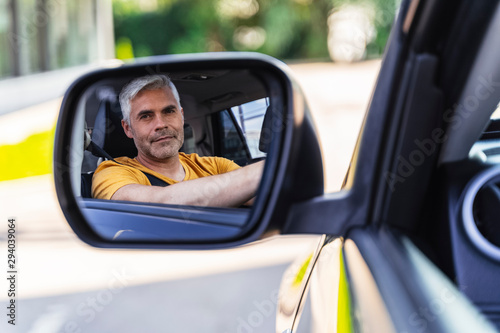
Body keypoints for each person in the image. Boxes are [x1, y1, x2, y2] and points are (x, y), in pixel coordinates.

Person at [91, 74, 264, 207]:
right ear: (128, 128)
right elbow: (161, 203)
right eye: (146, 116)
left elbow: (263, 198)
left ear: (181, 116)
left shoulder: (215, 166)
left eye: (169, 111)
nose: (161, 124)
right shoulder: (111, 173)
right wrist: (266, 167)